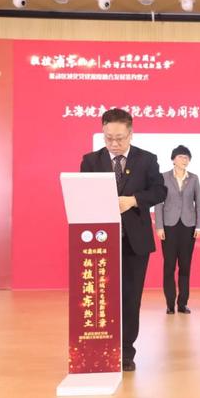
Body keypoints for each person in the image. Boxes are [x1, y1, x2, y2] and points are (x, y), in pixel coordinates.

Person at [80, 108, 167, 372]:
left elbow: (159, 191)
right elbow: (82, 193)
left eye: (119, 138)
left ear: (130, 134)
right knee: (100, 296)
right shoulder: (90, 161)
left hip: (134, 241)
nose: (114, 144)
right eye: (109, 138)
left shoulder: (146, 159)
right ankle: (100, 347)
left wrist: (134, 200)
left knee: (130, 298)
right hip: (99, 241)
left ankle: (125, 352)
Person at [154, 145, 200, 315]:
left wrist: (199, 225)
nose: (185, 160)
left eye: (187, 157)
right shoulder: (163, 177)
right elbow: (158, 203)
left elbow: (199, 202)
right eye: (181, 157)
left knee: (185, 266)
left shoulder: (194, 178)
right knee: (169, 266)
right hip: (169, 226)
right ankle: (170, 303)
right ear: (173, 159)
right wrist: (159, 226)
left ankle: (182, 303)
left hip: (188, 226)